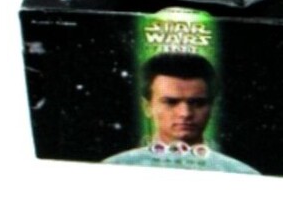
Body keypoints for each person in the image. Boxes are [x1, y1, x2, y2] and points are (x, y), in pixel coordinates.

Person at [103, 53, 259, 174]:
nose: (185, 113)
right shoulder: (113, 169)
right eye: (170, 102)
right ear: (147, 107)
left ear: (213, 107)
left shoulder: (243, 174)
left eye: (198, 103)